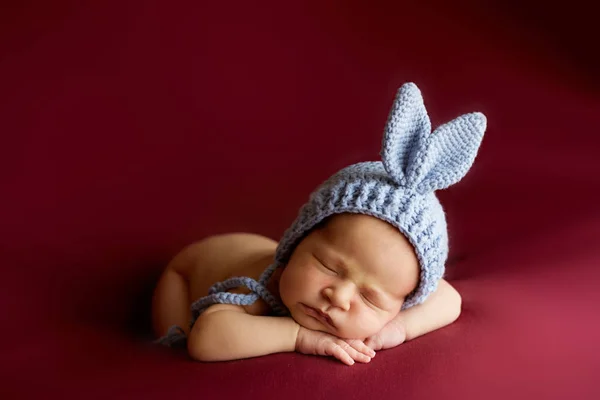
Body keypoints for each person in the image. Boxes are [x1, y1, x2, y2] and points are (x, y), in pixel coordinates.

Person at [151, 82, 487, 366]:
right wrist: (299, 336)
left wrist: (398, 329)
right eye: (329, 266)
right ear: (296, 242)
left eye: (371, 298)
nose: (338, 296)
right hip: (186, 274)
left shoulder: (400, 289)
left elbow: (449, 298)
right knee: (176, 348)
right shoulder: (264, 287)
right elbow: (207, 337)